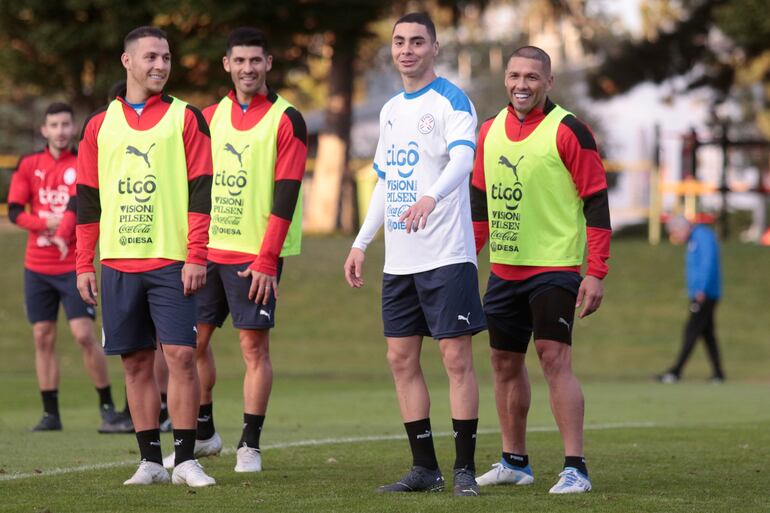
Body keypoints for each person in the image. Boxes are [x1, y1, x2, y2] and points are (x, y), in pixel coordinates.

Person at [344, 12, 485, 497]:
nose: (407, 50)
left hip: (446, 255)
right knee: (400, 359)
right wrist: (362, 242)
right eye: (400, 41)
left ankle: (464, 469)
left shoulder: (451, 100)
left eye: (417, 42)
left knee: (455, 359)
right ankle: (425, 468)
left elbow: (464, 159)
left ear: (434, 48)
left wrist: (431, 196)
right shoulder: (389, 110)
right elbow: (386, 182)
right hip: (400, 262)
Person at [161, 27, 307, 473]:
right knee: (191, 344)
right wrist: (191, 249)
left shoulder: (287, 118)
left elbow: (287, 193)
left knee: (253, 349)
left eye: (255, 60)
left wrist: (267, 260)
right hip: (207, 251)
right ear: (227, 64)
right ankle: (205, 433)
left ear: (268, 64)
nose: (248, 68)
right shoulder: (207, 117)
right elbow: (192, 187)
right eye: (239, 61)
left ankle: (250, 444)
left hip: (255, 256)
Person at [76, 26, 215, 487]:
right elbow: (87, 199)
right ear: (127, 61)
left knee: (180, 355)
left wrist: (197, 254)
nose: (160, 65)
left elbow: (202, 191)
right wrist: (83, 263)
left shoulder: (186, 117)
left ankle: (186, 460)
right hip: (118, 262)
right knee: (134, 363)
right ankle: (150, 462)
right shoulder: (98, 125)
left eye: (166, 57)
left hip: (172, 260)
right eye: (152, 56)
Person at [470, 46, 611, 494]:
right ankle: (514, 462)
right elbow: (479, 201)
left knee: (553, 358)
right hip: (503, 270)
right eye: (515, 75)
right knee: (502, 362)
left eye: (532, 77)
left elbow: (596, 201)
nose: (521, 85)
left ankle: (575, 468)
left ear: (549, 82)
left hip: (554, 266)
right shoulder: (488, 130)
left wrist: (596, 272)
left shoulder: (569, 130)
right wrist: (468, 259)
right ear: (505, 79)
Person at [7, 102, 131, 434]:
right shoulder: (29, 164)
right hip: (37, 267)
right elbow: (15, 211)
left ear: (73, 128)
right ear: (44, 130)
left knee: (83, 335)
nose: (60, 131)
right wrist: (44, 223)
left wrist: (64, 232)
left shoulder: (82, 161)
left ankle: (107, 408)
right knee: (42, 336)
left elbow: (82, 204)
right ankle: (51, 414)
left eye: (65, 124)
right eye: (54, 125)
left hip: (72, 266)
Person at [657, 216, 724, 383]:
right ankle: (718, 374)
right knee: (707, 334)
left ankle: (675, 371)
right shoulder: (694, 239)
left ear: (682, 228)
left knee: (691, 331)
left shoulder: (702, 236)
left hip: (705, 294)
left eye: (675, 233)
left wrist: (701, 289)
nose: (676, 237)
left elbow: (707, 263)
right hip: (700, 293)